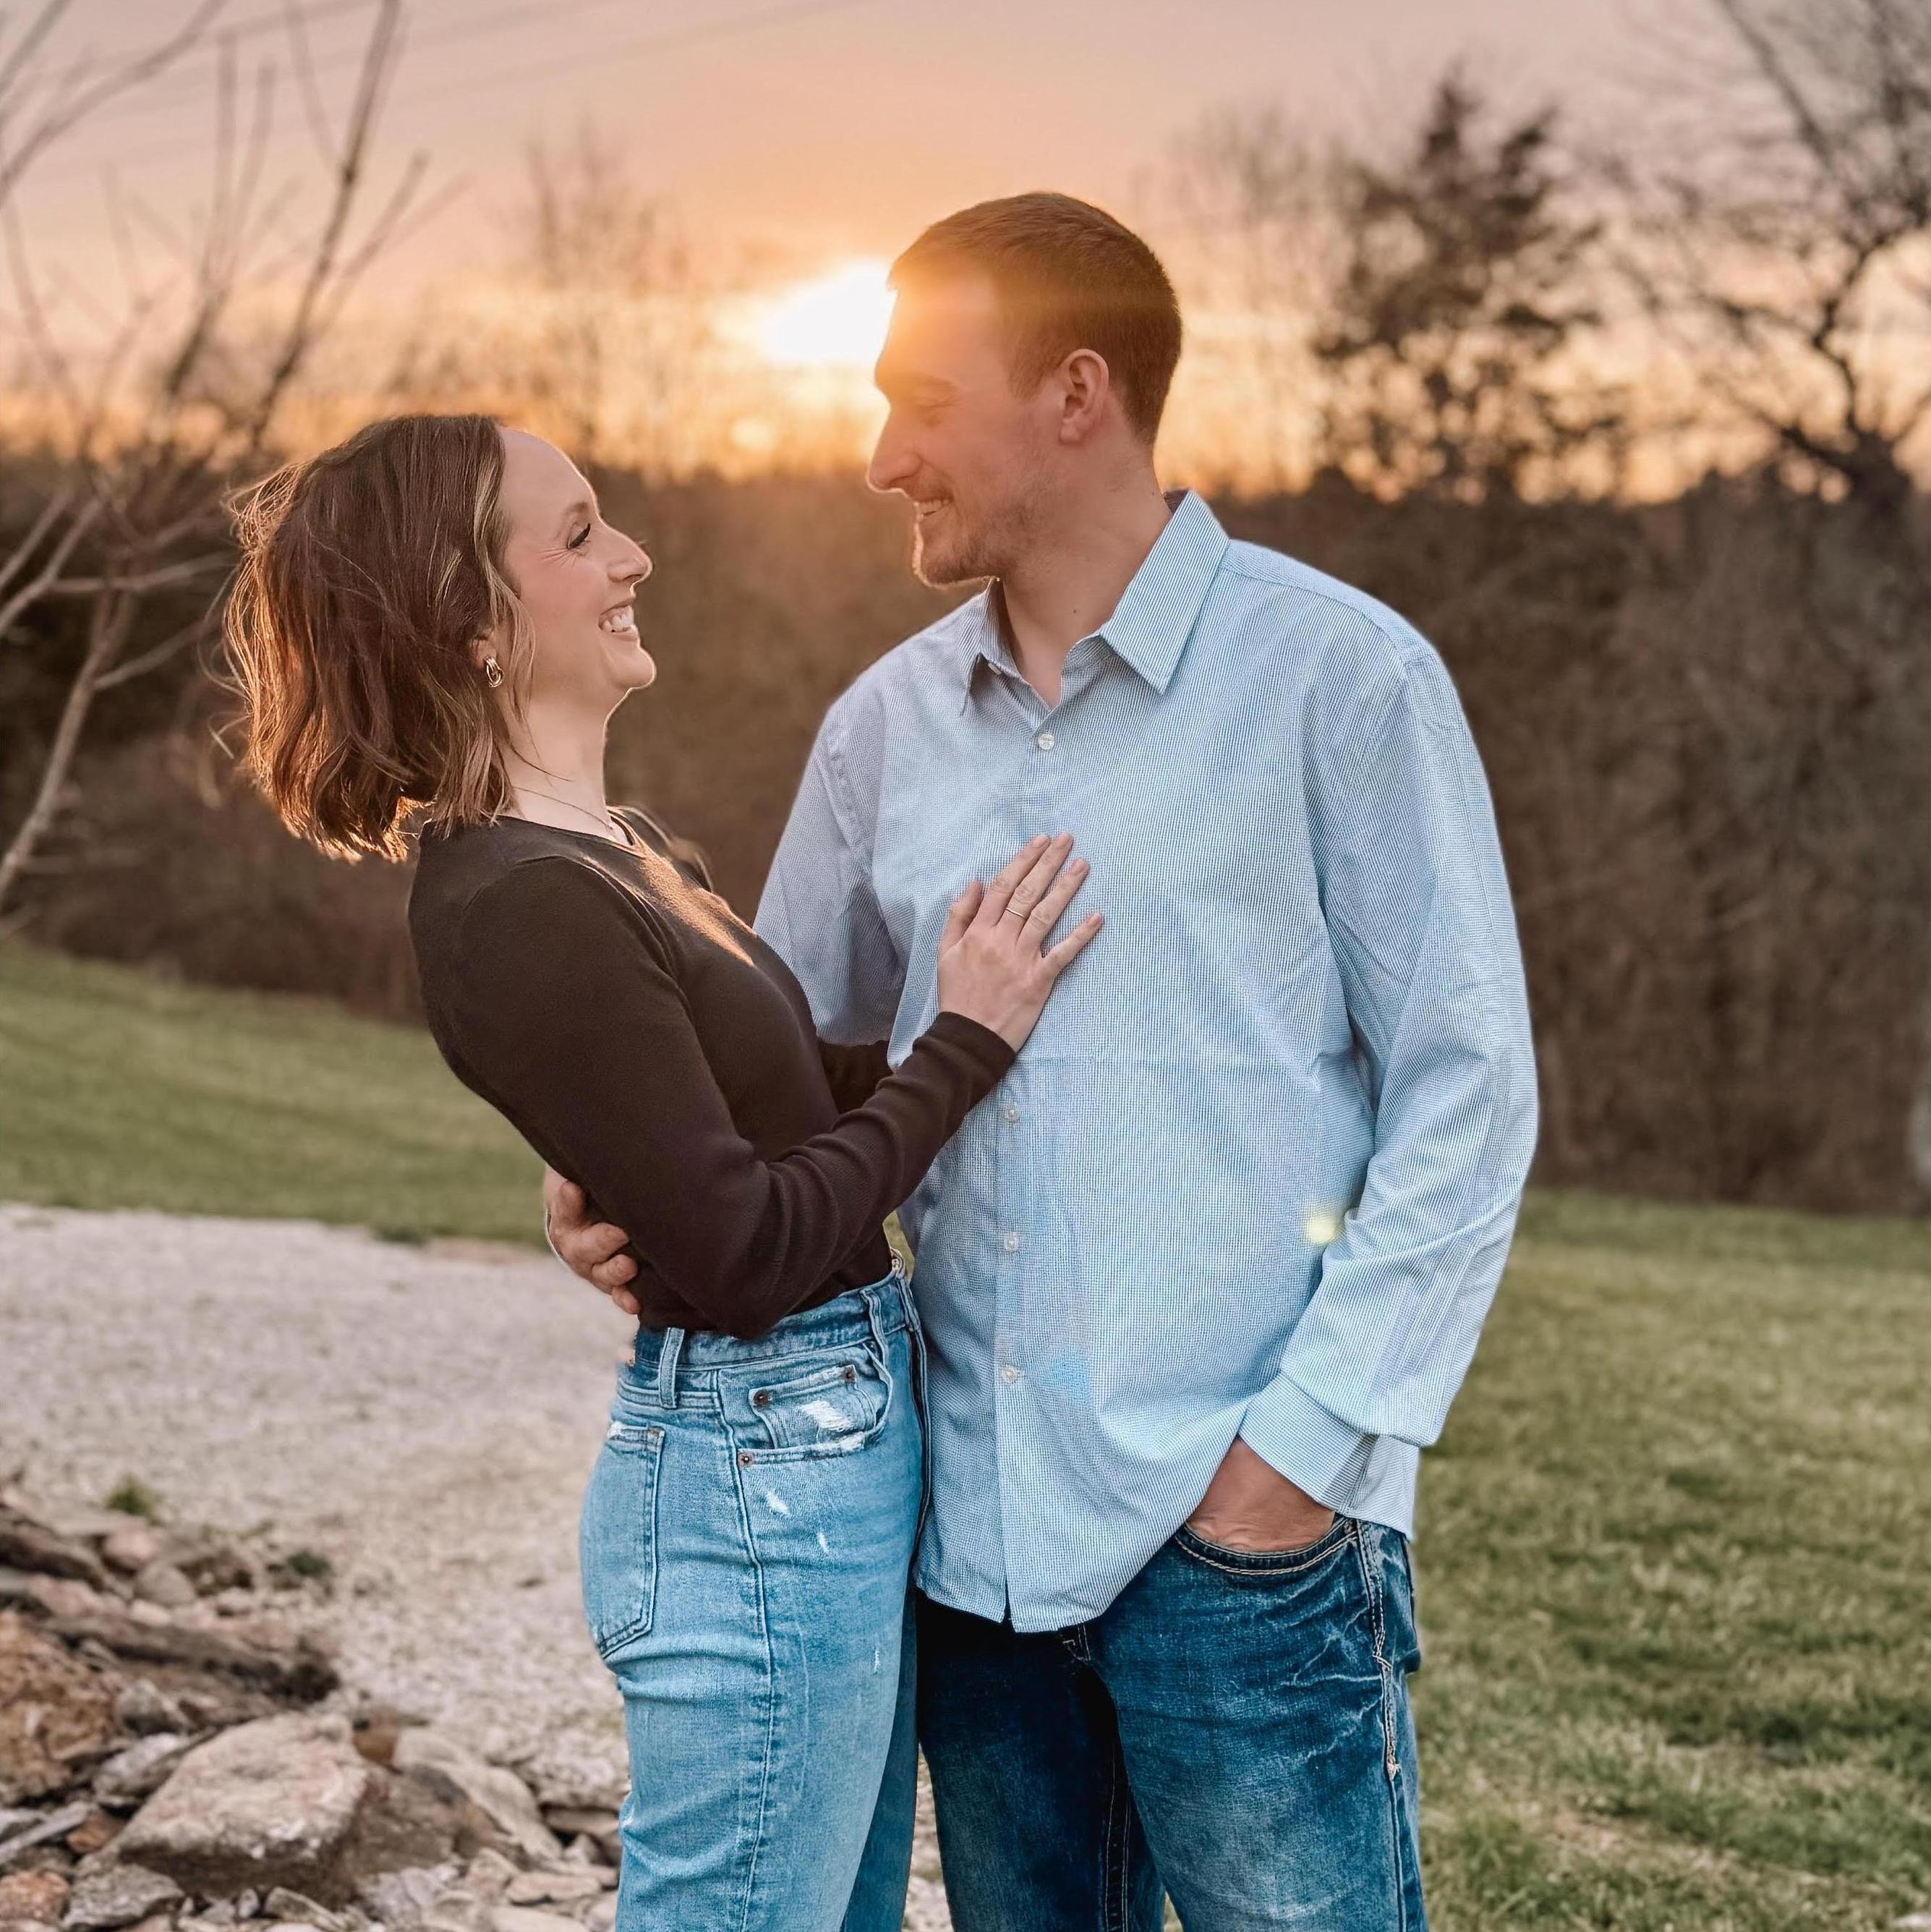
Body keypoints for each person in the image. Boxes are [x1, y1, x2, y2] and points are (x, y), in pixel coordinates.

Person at [550, 192, 1540, 1932]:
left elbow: (1470, 1093)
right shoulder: (880, 728)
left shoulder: (1341, 679)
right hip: (975, 1554)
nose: (883, 458)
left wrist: (1297, 1462)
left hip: (1251, 1545)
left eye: (925, 404)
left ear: (1076, 394)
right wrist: (634, 1169)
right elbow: (785, 1080)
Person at [221, 412, 1104, 1932]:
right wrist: (964, 1045)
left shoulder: (620, 848)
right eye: (578, 535)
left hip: (822, 1453)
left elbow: (782, 1114)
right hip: (759, 1485)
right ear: (467, 619)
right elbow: (750, 1252)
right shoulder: (519, 904)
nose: (633, 556)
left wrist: (984, 1016)